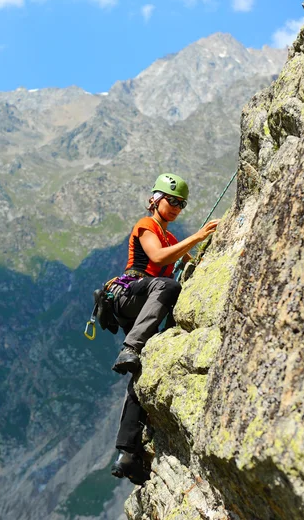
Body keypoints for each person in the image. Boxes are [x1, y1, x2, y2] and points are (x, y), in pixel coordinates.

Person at [108, 173, 219, 485]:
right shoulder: (147, 227)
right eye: (171, 200)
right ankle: (130, 346)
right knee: (168, 286)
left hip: (143, 305)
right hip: (129, 296)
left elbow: (190, 259)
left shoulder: (170, 238)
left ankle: (127, 452)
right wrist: (198, 236)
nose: (176, 207)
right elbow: (156, 257)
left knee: (144, 369)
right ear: (155, 199)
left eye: (181, 204)